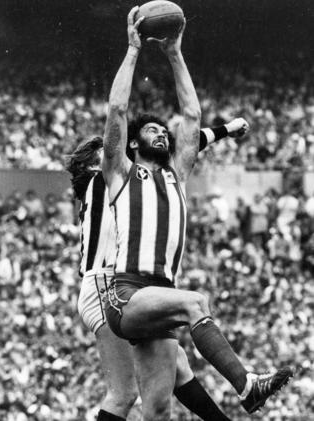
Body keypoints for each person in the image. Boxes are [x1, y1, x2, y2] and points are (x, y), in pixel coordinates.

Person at [102, 7, 293, 421]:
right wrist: (133, 50)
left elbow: (192, 116)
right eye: (151, 130)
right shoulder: (120, 173)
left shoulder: (177, 173)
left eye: (162, 131)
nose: (161, 133)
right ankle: (246, 385)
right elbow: (116, 111)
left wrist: (174, 53)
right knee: (196, 302)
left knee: (157, 410)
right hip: (127, 295)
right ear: (134, 145)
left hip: (159, 300)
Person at [66, 115, 250, 420]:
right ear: (92, 166)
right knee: (123, 393)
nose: (120, 152)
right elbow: (183, 148)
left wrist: (223, 131)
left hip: (116, 286)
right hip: (106, 287)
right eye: (110, 151)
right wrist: (225, 130)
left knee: (175, 362)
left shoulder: (113, 183)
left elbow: (183, 148)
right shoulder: (106, 180)